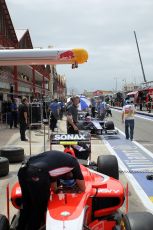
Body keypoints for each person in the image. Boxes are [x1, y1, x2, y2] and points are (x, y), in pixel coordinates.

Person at [17, 150, 85, 230]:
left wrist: (56, 190)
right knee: (39, 207)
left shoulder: (55, 160)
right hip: (37, 173)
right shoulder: (74, 162)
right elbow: (82, 186)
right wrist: (80, 190)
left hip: (23, 170)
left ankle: (20, 227)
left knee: (27, 204)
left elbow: (53, 185)